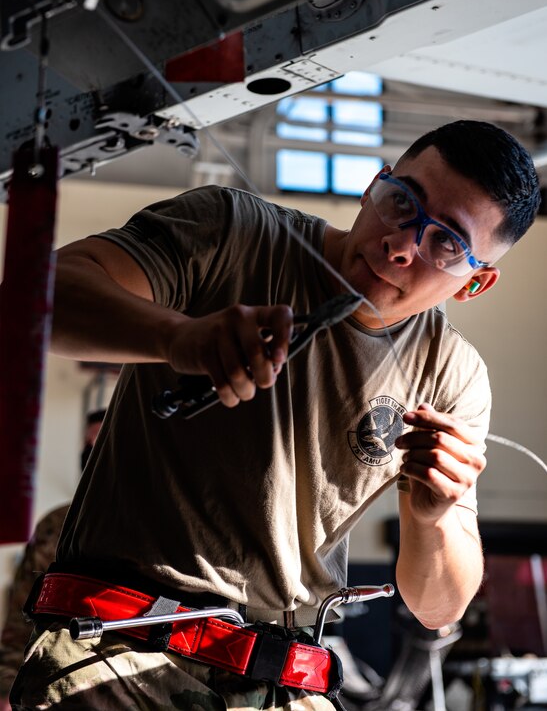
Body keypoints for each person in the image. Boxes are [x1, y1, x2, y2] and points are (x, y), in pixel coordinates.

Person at [9, 120, 540, 710]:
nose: (402, 245)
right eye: (402, 203)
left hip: (284, 681)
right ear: (373, 185)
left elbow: (438, 606)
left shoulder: (452, 375)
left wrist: (434, 516)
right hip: (121, 653)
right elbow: (37, 298)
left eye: (446, 244)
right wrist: (178, 337)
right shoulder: (234, 235)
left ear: (476, 284)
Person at [0, 410, 105, 710]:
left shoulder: (157, 526)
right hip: (51, 688)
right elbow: (20, 617)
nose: (91, 448)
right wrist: (6, 686)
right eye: (87, 442)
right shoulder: (58, 524)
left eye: (101, 439)